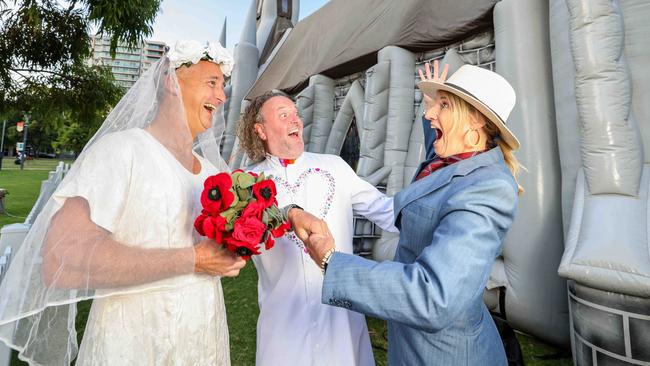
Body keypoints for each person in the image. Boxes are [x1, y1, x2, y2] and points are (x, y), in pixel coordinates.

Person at [0, 41, 247, 366]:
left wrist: (231, 249)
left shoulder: (214, 176)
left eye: (223, 85)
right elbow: (61, 260)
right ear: (172, 83)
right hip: (133, 346)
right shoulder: (121, 152)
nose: (222, 96)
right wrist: (193, 260)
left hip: (203, 344)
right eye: (212, 83)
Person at [302, 61, 524, 365]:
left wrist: (331, 261)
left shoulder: (487, 190)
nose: (430, 114)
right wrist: (436, 103)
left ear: (475, 120)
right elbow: (437, 155)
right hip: (416, 344)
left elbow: (434, 297)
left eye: (444, 106)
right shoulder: (458, 160)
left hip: (446, 354)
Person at [236, 90, 398, 366]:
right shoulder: (246, 184)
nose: (295, 121)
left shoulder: (334, 167)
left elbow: (387, 211)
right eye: (284, 115)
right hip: (284, 327)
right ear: (260, 130)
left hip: (341, 322)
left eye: (296, 114)